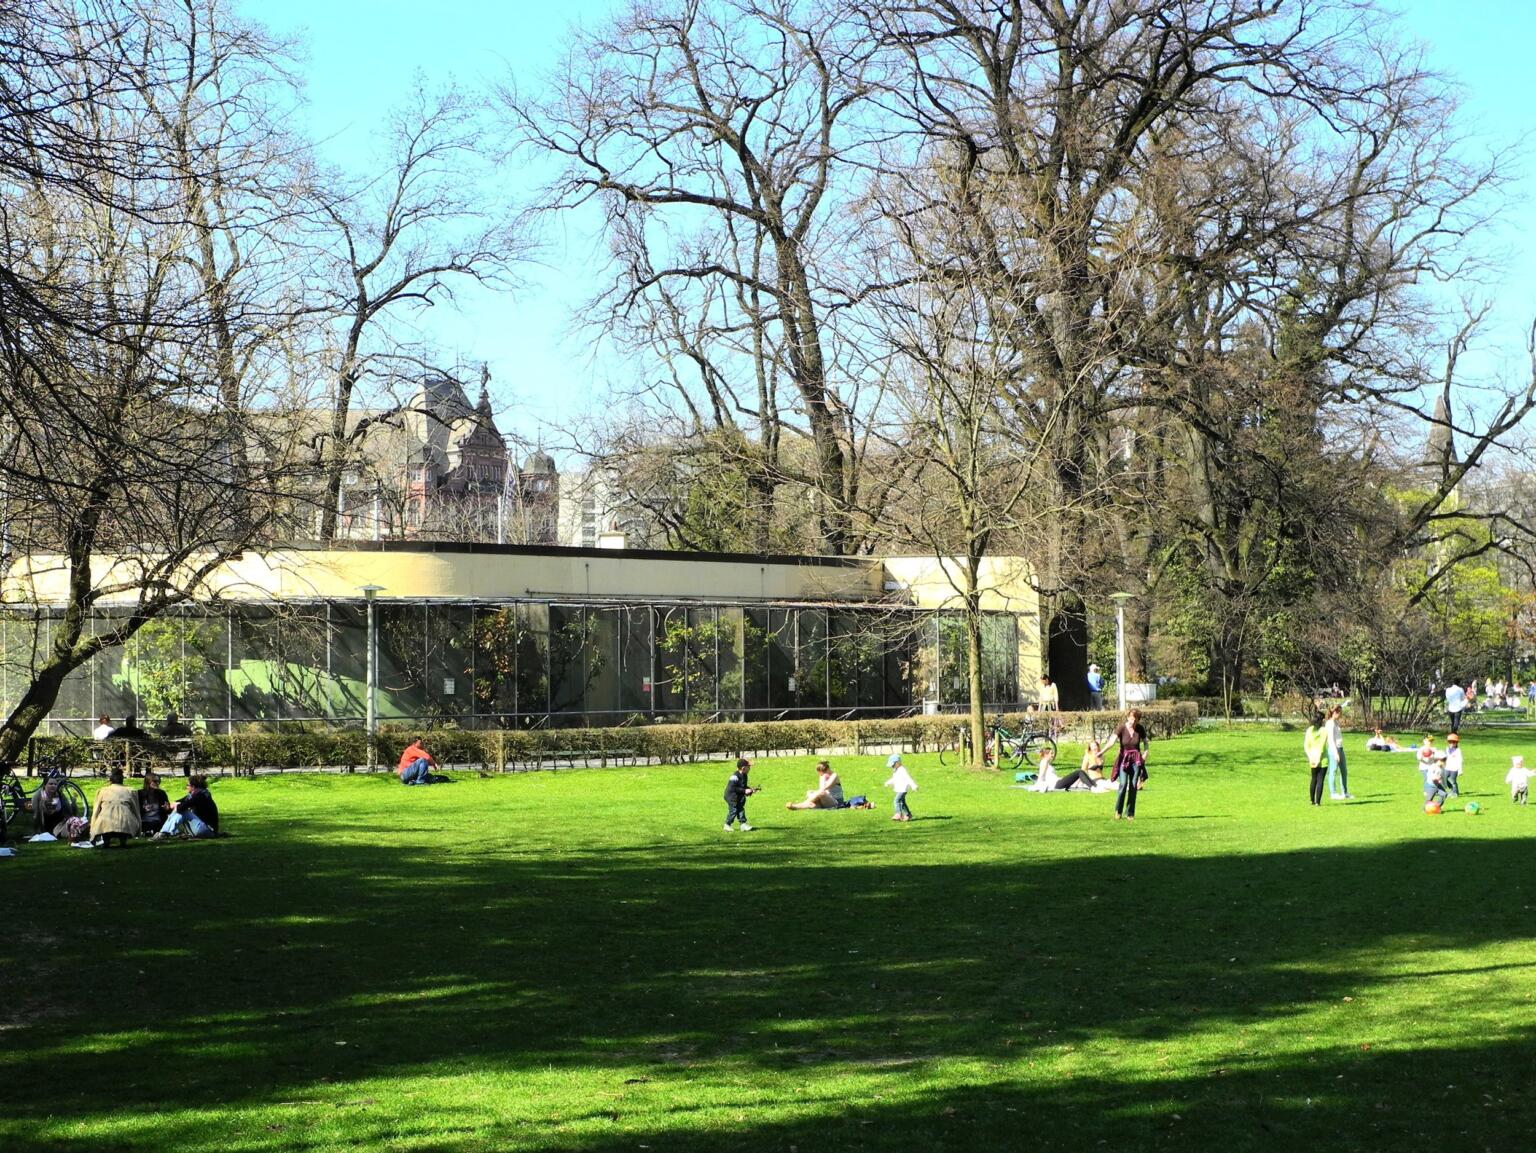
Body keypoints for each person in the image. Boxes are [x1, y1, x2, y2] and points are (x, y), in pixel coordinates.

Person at [1110, 708, 1148, 821]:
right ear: (1128, 717)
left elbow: (1146, 742)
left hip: (1136, 761)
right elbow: (1111, 741)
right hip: (1124, 760)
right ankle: (1118, 811)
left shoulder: (1140, 729)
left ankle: (1130, 813)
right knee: (1123, 784)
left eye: (1136, 718)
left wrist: (1145, 753)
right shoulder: (1121, 727)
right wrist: (1101, 752)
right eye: (1131, 717)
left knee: (1133, 786)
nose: (1133, 719)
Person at [154, 774, 219, 839]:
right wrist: (169, 807)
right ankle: (164, 832)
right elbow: (179, 802)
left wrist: (176, 805)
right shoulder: (192, 796)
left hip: (208, 830)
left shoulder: (201, 796)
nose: (186, 787)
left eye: (188, 785)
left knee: (183, 811)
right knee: (180, 809)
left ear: (193, 786)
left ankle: (165, 833)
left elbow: (181, 807)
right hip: (201, 828)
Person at [90, 767, 142, 847]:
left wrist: (93, 831)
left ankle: (106, 842)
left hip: (105, 824)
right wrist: (139, 829)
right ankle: (123, 841)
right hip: (125, 824)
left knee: (104, 819)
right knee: (125, 817)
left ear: (110, 779)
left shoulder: (102, 791)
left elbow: (95, 812)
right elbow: (136, 811)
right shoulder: (130, 791)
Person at [1324, 705, 1352, 800]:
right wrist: (1335, 753)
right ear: (1335, 712)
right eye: (1339, 712)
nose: (1340, 714)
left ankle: (1345, 792)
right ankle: (1333, 793)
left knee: (1344, 770)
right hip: (1333, 749)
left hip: (1340, 748)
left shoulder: (1336, 722)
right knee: (1333, 770)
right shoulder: (1330, 723)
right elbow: (1331, 739)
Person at [723, 757, 757, 831]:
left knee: (740, 809)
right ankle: (727, 825)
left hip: (738, 796)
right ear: (743, 768)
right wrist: (744, 791)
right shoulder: (734, 776)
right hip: (731, 796)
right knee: (733, 810)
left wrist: (750, 789)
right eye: (749, 767)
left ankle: (743, 824)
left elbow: (743, 786)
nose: (750, 768)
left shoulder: (744, 775)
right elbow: (733, 788)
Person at [1304, 712, 1328, 806]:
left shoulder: (1309, 730)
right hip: (1322, 758)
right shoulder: (1324, 730)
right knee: (1320, 779)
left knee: (1313, 778)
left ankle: (1312, 800)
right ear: (1322, 720)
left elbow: (1306, 745)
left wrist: (1310, 757)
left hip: (1312, 757)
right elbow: (1322, 746)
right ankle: (1318, 801)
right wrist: (1318, 758)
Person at [884, 753, 917, 821]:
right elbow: (894, 779)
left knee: (896, 800)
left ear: (898, 763)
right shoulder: (896, 770)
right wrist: (888, 782)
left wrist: (913, 785)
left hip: (903, 789)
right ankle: (908, 815)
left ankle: (898, 814)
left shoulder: (902, 770)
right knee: (902, 803)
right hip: (899, 789)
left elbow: (908, 778)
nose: (892, 766)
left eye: (893, 765)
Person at [1441, 732, 1463, 797]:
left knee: (1452, 781)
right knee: (1445, 780)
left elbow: (1460, 760)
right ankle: (1452, 790)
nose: (1452, 743)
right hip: (1447, 767)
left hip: (1454, 769)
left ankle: (1456, 792)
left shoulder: (1458, 750)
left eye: (1453, 742)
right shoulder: (1447, 749)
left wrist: (1460, 770)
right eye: (1450, 742)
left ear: (1456, 743)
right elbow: (1444, 757)